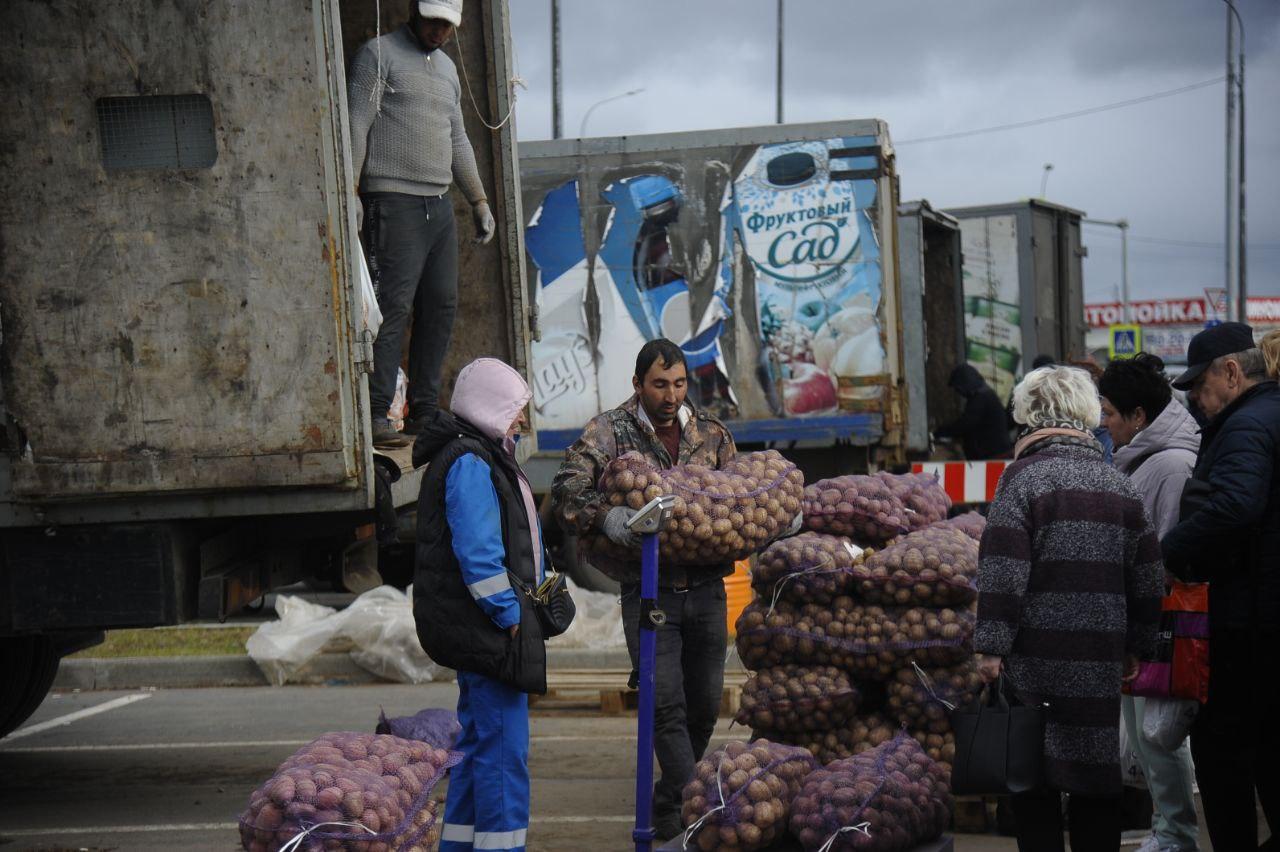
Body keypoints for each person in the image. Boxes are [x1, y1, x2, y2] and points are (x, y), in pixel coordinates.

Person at [551, 338, 737, 841]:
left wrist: (773, 520)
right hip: (649, 591)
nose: (671, 394)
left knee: (703, 706)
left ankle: (669, 803)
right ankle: (699, 807)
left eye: (678, 383)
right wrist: (605, 516)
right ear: (637, 384)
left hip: (707, 590)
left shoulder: (713, 436)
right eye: (659, 384)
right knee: (665, 705)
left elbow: (739, 498)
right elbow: (566, 488)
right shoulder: (610, 432)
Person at [974, 365, 1164, 852]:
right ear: (1086, 414)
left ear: (1027, 415)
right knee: (1094, 775)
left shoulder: (1020, 481)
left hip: (1035, 655)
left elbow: (1002, 571)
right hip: (1099, 655)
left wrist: (990, 649)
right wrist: (1139, 643)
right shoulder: (1117, 484)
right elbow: (1146, 573)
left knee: (1032, 778)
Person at [348, 0, 496, 447]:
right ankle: (375, 412)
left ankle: (424, 413)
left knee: (440, 306)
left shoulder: (448, 70)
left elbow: (458, 138)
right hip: (392, 199)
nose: (440, 31)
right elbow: (356, 123)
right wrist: (349, 191)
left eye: (448, 25)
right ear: (416, 11)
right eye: (434, 21)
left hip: (438, 204)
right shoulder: (379, 55)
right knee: (392, 307)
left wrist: (478, 199)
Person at [412, 358, 546, 852]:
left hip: (476, 632)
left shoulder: (474, 455)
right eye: (516, 410)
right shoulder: (471, 461)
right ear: (491, 408)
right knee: (503, 758)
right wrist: (511, 617)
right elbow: (480, 556)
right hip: (489, 634)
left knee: (476, 751)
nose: (521, 422)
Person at [1161, 322, 1280, 850]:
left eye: (1198, 388)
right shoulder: (1266, 415)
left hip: (1249, 620)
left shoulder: (1245, 425)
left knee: (1225, 753)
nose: (1195, 401)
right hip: (1262, 615)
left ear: (1231, 371)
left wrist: (1165, 552)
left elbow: (1236, 505)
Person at [1099, 353, 1201, 852]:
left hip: (1159, 621)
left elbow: (1165, 547)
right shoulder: (1149, 460)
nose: (1105, 424)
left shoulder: (1170, 466)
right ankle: (1167, 827)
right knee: (1145, 734)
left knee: (1157, 735)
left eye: (1111, 414)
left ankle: (1176, 832)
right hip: (1143, 617)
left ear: (1138, 416)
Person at [936, 363, 1013, 459]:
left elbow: (966, 423)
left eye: (958, 388)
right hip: (995, 453)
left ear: (965, 384)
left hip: (993, 455)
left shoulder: (981, 398)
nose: (959, 392)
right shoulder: (985, 395)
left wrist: (942, 432)